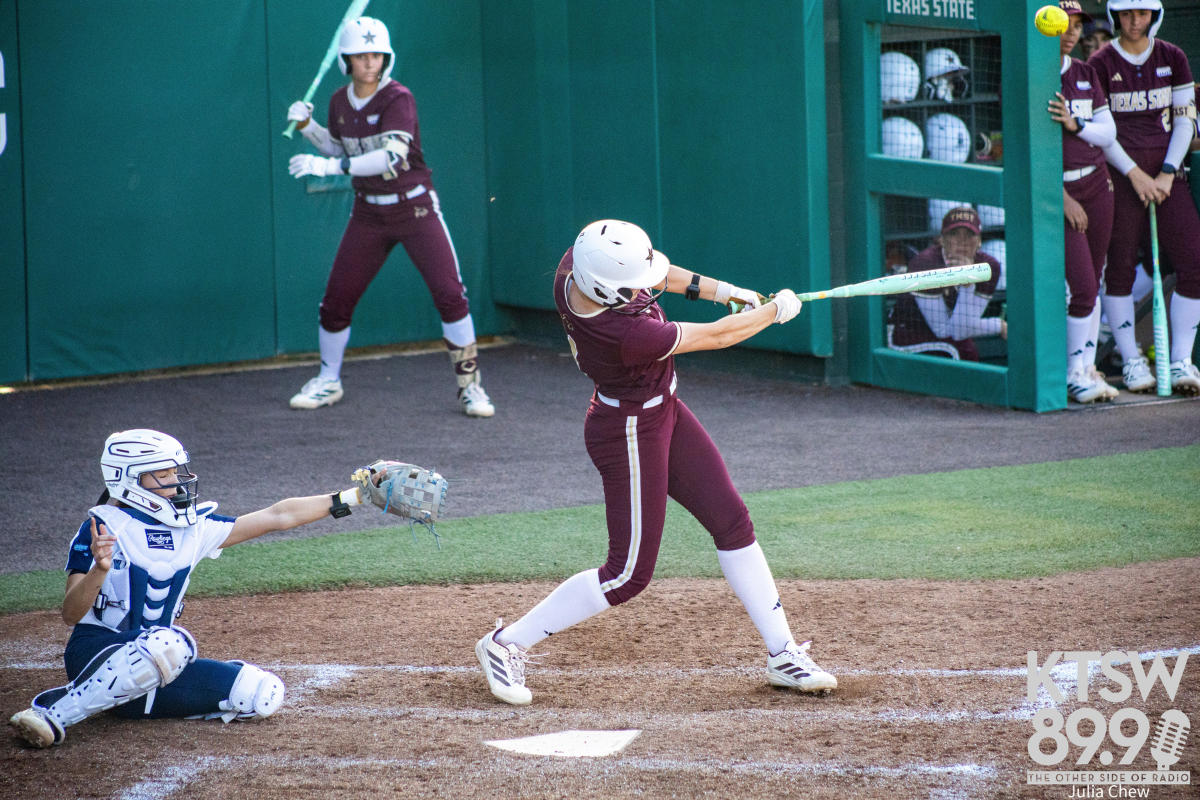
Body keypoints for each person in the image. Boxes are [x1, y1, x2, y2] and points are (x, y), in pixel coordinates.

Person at [473, 220, 836, 706]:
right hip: (627, 432)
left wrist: (727, 292)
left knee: (732, 520)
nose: (644, 288)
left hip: (663, 410)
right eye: (632, 287)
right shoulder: (626, 333)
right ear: (606, 288)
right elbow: (719, 337)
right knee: (626, 575)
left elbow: (659, 274)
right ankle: (506, 644)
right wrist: (772, 312)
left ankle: (782, 653)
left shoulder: (576, 265)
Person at [8, 429, 374, 748]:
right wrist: (99, 571)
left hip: (162, 664)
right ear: (129, 480)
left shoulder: (193, 528)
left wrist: (354, 498)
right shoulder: (102, 527)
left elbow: (277, 516)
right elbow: (71, 614)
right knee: (170, 641)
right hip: (94, 653)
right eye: (163, 473)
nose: (176, 481)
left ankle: (126, 699)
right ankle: (54, 713)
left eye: (175, 471)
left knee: (261, 694)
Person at [286, 17, 494, 416]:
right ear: (346, 60)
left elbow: (389, 157)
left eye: (376, 54)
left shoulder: (399, 98)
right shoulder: (339, 100)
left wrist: (333, 169)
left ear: (387, 57)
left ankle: (471, 387)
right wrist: (307, 125)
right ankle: (328, 381)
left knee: (451, 295)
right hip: (369, 214)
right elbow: (336, 144)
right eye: (362, 55)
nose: (370, 63)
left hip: (414, 208)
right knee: (336, 301)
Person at [1090, 0, 1200, 395]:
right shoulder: (1101, 62)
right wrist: (1135, 174)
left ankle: (1181, 361)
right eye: (1126, 14)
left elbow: (1185, 119)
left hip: (1169, 179)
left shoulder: (1173, 56)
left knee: (1194, 262)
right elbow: (1102, 133)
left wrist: (1168, 173)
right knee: (1117, 268)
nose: (1135, 22)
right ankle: (1132, 361)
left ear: (1154, 15)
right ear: (1114, 15)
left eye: (1142, 14)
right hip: (1120, 181)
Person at [1048, 0, 1120, 402]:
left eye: (1077, 25)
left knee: (1095, 281)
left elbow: (1107, 135)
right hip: (1060, 193)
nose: (1072, 32)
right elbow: (1023, 150)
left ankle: (1085, 368)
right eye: (1065, 24)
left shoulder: (1085, 73)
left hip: (1097, 185)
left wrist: (1076, 124)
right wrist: (1061, 199)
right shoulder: (1032, 75)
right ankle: (1073, 371)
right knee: (1083, 286)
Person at [887, 207, 1006, 362]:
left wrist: (967, 286)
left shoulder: (989, 266)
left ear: (979, 240)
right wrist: (998, 326)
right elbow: (945, 331)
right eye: (954, 234)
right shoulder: (926, 263)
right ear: (942, 239)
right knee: (960, 350)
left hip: (950, 330)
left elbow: (963, 327)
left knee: (965, 348)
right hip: (907, 332)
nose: (962, 242)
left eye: (969, 235)